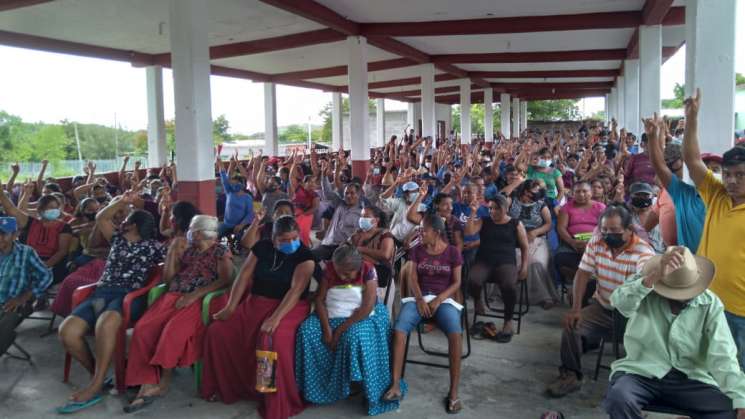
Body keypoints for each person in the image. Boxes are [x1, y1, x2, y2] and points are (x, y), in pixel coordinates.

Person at [603, 246, 745, 419]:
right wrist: (652, 279)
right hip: (641, 373)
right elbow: (619, 303)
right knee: (619, 398)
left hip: (689, 379)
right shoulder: (645, 286)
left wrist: (740, 398)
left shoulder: (710, 304)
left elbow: (723, 355)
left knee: (730, 410)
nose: (682, 297)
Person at [56, 192, 166, 413]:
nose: (121, 221)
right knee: (67, 331)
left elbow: (172, 260)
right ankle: (100, 375)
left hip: (128, 296)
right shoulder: (117, 239)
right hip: (102, 292)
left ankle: (95, 385)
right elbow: (101, 218)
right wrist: (121, 201)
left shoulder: (153, 247)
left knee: (104, 324)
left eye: (126, 218)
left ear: (134, 225)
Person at [201, 216, 315, 419]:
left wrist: (275, 318)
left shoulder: (305, 256)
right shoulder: (262, 247)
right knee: (218, 331)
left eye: (294, 238)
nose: (291, 244)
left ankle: (268, 394)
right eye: (284, 240)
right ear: (273, 239)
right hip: (255, 303)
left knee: (269, 341)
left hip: (289, 307)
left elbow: (296, 291)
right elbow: (243, 275)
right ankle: (226, 387)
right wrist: (230, 307)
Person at [123, 215, 232, 413]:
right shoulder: (189, 251)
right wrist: (172, 254)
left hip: (201, 300)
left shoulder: (220, 251)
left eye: (191, 229)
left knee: (171, 332)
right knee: (143, 328)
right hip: (173, 296)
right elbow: (169, 279)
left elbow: (226, 280)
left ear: (199, 233)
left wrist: (195, 294)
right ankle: (145, 381)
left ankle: (163, 381)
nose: (188, 232)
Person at [546, 205, 654, 398]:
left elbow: (643, 285)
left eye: (614, 230)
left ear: (629, 230)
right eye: (604, 230)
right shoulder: (596, 243)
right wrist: (576, 308)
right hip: (603, 307)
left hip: (633, 315)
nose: (607, 234)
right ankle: (571, 375)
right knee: (572, 324)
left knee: (648, 346)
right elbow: (583, 273)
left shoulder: (643, 252)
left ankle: (639, 387)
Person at [295, 245, 399, 416]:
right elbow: (320, 301)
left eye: (348, 273)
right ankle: (319, 388)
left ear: (358, 267)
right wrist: (327, 329)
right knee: (307, 331)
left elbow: (366, 307)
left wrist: (338, 331)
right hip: (333, 312)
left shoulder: (368, 270)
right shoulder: (329, 270)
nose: (343, 277)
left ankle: (359, 385)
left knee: (354, 336)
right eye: (339, 272)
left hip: (361, 315)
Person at [682, 88, 745, 367]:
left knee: (735, 374)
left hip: (740, 312)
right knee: (701, 369)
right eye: (728, 174)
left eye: (740, 175)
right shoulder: (717, 195)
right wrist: (692, 118)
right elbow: (692, 160)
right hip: (704, 300)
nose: (731, 181)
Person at [383, 214, 464, 414]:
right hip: (420, 298)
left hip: (444, 300)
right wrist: (419, 299)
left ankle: (453, 393)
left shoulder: (453, 253)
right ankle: (395, 385)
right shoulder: (418, 251)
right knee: (400, 330)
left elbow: (456, 283)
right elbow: (412, 278)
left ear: (436, 232)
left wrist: (438, 300)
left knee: (455, 334)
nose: (420, 233)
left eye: (424, 230)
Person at [466, 195, 529, 342]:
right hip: (484, 261)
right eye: (490, 209)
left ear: (505, 209)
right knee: (473, 280)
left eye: (496, 209)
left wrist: (524, 266)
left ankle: (508, 320)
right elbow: (469, 232)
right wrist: (473, 212)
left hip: (506, 262)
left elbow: (525, 247)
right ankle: (477, 300)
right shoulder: (484, 221)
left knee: (508, 285)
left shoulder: (515, 224)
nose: (493, 212)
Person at [644, 114, 705, 251]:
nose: (670, 175)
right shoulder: (667, 190)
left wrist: (692, 117)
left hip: (702, 258)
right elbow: (649, 221)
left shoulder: (699, 191)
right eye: (668, 169)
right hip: (672, 256)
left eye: (676, 169)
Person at [0, 216, 53, 356]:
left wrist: (24, 297)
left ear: (15, 235)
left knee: (5, 324)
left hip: (12, 303)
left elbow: (46, 276)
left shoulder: (26, 253)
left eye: (3, 234)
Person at [0, 187, 72, 284]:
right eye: (50, 208)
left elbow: (62, 251)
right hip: (25, 261)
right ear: (40, 210)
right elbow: (11, 210)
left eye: (56, 208)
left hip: (51, 265)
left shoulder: (64, 227)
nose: (54, 210)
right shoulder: (30, 222)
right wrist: (1, 193)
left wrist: (42, 266)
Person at [507, 180, 557, 308]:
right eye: (527, 192)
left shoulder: (541, 204)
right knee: (511, 261)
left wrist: (535, 232)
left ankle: (543, 296)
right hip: (514, 238)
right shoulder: (512, 200)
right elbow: (500, 197)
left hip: (536, 238)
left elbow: (548, 224)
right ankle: (510, 294)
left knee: (537, 263)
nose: (529, 196)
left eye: (533, 194)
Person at [555, 181, 606, 283]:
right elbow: (561, 228)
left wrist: (592, 243)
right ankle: (584, 280)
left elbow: (605, 228)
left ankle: (585, 281)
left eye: (585, 191)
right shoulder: (567, 207)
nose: (581, 194)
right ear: (573, 194)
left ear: (591, 193)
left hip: (596, 243)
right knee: (561, 259)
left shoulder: (601, 207)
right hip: (572, 244)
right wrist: (572, 242)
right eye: (577, 191)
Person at [313, 176, 363, 261]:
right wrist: (324, 175)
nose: (349, 196)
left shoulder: (362, 213)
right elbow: (328, 193)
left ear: (358, 195)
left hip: (345, 248)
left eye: (352, 193)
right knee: (309, 257)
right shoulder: (340, 204)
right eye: (346, 193)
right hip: (328, 243)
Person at [349, 206, 395, 297]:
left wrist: (361, 250)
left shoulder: (385, 234)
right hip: (359, 271)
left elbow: (385, 255)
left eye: (366, 217)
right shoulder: (358, 233)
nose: (362, 219)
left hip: (379, 273)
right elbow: (346, 250)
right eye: (361, 216)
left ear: (376, 220)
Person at [217, 156, 254, 239]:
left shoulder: (247, 197)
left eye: (235, 184)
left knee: (240, 242)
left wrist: (241, 225)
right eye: (232, 184)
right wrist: (220, 163)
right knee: (215, 235)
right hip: (226, 224)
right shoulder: (229, 191)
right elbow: (223, 176)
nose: (233, 185)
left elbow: (250, 214)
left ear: (242, 185)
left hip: (240, 226)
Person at [628, 182, 664, 254]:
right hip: (637, 255)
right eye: (638, 195)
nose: (642, 198)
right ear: (631, 197)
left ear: (652, 196)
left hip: (660, 255)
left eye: (646, 195)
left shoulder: (661, 209)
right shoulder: (627, 214)